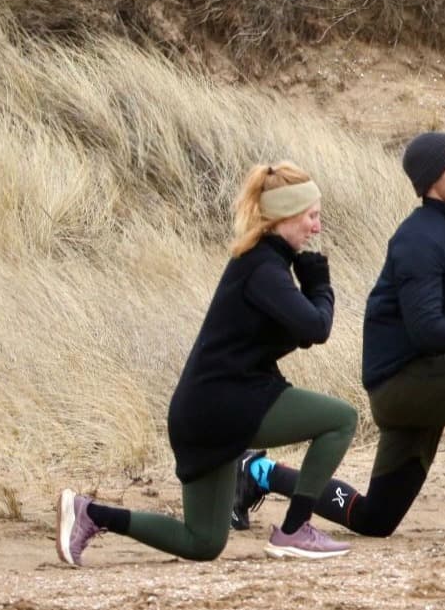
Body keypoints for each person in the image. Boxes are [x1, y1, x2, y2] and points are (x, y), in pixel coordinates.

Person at [234, 132, 445, 538]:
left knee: (375, 520)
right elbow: (427, 330)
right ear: (432, 178)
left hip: (432, 377)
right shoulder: (417, 239)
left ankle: (258, 472)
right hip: (403, 385)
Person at [56, 162, 358, 565]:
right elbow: (316, 328)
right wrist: (320, 285)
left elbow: (301, 332)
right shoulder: (263, 269)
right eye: (311, 216)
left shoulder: (260, 263)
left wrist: (309, 286)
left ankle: (91, 514)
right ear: (284, 215)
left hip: (202, 412)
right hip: (227, 404)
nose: (317, 227)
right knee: (340, 420)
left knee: (202, 541)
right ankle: (295, 529)